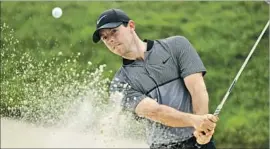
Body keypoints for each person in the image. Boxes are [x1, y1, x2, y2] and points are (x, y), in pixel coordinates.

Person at [92, 8, 219, 149]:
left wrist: (202, 131)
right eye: (104, 37)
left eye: (114, 31)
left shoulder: (176, 46)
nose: (110, 39)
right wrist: (195, 121)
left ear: (131, 26)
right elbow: (155, 112)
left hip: (199, 140)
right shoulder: (120, 83)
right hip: (162, 146)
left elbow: (197, 89)